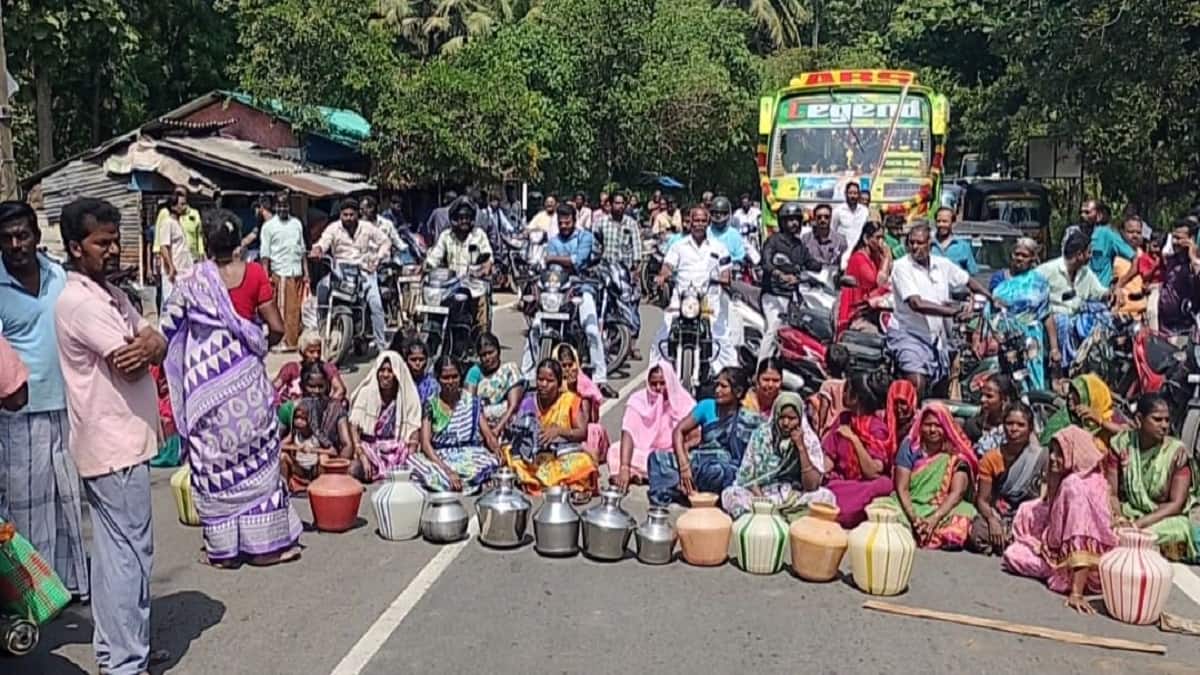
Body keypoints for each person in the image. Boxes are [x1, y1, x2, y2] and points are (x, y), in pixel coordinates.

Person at [55, 197, 170, 673]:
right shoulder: (81, 303)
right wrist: (148, 346)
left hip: (118, 445)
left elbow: (154, 343)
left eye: (114, 239)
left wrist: (151, 343)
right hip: (112, 447)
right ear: (75, 248)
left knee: (114, 555)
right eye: (101, 242)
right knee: (127, 557)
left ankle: (119, 649)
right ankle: (125, 661)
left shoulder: (114, 295)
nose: (113, 249)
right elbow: (132, 363)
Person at [161, 207, 303, 569]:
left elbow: (167, 330)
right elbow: (275, 327)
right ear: (238, 240)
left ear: (206, 244)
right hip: (248, 390)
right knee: (258, 459)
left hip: (205, 390)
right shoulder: (255, 274)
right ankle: (267, 546)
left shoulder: (191, 281)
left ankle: (223, 551)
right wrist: (252, 347)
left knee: (213, 464)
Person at [0, 200, 88, 600]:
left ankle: (72, 584)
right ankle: (35, 592)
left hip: (67, 403)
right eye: (6, 239)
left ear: (36, 236)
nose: (16, 245)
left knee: (70, 500)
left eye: (22, 235)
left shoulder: (59, 275)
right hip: (19, 413)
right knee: (28, 507)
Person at [1003, 426, 1117, 613]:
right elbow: (1050, 503)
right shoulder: (1089, 476)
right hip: (1092, 557)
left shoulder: (1074, 486)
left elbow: (1080, 536)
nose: (1054, 458)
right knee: (1026, 510)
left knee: (1014, 555)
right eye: (1053, 452)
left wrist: (1076, 594)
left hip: (1083, 568)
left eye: (1060, 453)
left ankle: (1064, 576)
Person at [888, 222, 998, 396]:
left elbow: (968, 280)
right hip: (909, 335)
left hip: (938, 338)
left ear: (929, 244)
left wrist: (992, 299)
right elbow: (916, 304)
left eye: (919, 243)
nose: (914, 247)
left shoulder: (942, 265)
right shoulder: (902, 267)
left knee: (942, 387)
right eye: (911, 243)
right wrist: (954, 312)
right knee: (917, 382)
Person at [532, 203, 616, 398]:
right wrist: (558, 260)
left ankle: (600, 378)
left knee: (591, 328)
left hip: (581, 287)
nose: (564, 226)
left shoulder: (585, 237)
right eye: (561, 223)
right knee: (536, 327)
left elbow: (578, 261)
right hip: (557, 290)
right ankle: (529, 376)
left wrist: (555, 259)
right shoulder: (553, 241)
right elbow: (549, 264)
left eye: (567, 222)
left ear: (574, 220)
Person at [648, 367, 762, 506]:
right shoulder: (707, 406)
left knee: (716, 472)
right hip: (698, 462)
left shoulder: (747, 419)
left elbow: (750, 455)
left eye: (723, 386)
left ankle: (689, 492)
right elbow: (679, 430)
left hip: (722, 468)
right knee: (657, 458)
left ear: (737, 392)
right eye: (717, 385)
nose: (717, 390)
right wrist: (684, 466)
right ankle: (686, 491)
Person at [873, 402, 979, 550]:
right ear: (920, 426)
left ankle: (924, 533)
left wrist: (934, 518)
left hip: (941, 507)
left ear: (946, 427)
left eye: (938, 425)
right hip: (911, 503)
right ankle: (916, 530)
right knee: (880, 507)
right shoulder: (910, 447)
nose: (932, 430)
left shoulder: (956, 454)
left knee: (965, 514)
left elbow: (957, 493)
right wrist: (914, 519)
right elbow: (901, 488)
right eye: (928, 425)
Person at [1108, 393, 1199, 562]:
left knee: (1179, 529)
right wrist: (1119, 519)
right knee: (1103, 522)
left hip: (1161, 519)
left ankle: (1133, 541)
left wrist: (1138, 525)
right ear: (1139, 419)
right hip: (1129, 512)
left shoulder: (1176, 452)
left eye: (1167, 420)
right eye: (1157, 420)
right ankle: (1134, 541)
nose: (1164, 425)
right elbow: (1111, 492)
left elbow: (1176, 504)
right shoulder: (1121, 445)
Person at [721, 392, 837, 520]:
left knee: (826, 497)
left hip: (794, 496)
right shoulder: (762, 436)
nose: (786, 423)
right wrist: (762, 501)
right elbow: (748, 477)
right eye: (782, 417)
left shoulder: (809, 439)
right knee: (731, 494)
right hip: (762, 494)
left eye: (791, 418)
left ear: (800, 418)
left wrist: (801, 447)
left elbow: (812, 486)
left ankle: (783, 518)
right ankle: (772, 518)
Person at [653, 206, 737, 373]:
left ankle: (727, 377)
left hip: (709, 300)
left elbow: (726, 271)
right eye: (696, 221)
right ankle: (659, 374)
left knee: (721, 337)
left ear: (708, 223)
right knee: (664, 333)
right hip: (683, 298)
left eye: (703, 221)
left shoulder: (718, 247)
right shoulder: (679, 246)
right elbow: (668, 266)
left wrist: (724, 278)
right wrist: (662, 277)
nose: (699, 224)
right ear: (689, 223)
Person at [504, 359, 598, 502]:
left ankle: (545, 483)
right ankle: (557, 484)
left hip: (560, 456)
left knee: (583, 462)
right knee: (509, 454)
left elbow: (582, 432)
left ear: (559, 384)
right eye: (540, 380)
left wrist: (559, 431)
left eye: (550, 380)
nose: (544, 385)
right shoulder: (529, 401)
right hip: (535, 458)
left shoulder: (570, 400)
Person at [407, 356, 501, 493]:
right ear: (438, 379)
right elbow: (426, 444)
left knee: (491, 462)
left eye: (454, 377)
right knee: (415, 463)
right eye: (445, 377)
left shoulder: (471, 402)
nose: (450, 382)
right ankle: (464, 482)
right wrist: (447, 470)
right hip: (440, 456)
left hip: (469, 454)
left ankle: (459, 482)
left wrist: (496, 449)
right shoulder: (431, 404)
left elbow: (487, 433)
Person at [310, 198, 391, 353]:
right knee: (322, 288)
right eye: (345, 214)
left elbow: (385, 241)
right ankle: (321, 328)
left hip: (364, 270)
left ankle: (382, 347)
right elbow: (323, 241)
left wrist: (378, 258)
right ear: (340, 214)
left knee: (376, 304)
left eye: (351, 214)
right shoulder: (333, 228)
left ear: (357, 214)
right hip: (339, 271)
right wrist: (318, 250)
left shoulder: (367, 228)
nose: (348, 218)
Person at [969, 403, 1047, 555]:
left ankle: (1014, 542)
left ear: (1030, 429)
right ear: (1003, 426)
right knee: (978, 533)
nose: (1014, 429)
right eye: (1009, 424)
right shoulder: (991, 459)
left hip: (1028, 515)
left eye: (1020, 425)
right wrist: (992, 520)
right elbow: (983, 500)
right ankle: (1015, 544)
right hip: (1000, 513)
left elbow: (1044, 498)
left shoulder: (1041, 457)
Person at [820, 373, 893, 528]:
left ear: (856, 398)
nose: (843, 394)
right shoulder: (843, 419)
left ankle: (842, 511)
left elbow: (873, 472)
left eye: (847, 390)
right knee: (827, 486)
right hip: (842, 483)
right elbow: (828, 461)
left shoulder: (877, 428)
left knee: (883, 484)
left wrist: (853, 439)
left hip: (863, 485)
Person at [610, 362, 695, 490]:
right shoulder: (638, 400)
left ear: (670, 381)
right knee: (615, 450)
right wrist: (624, 466)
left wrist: (682, 450)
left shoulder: (684, 402)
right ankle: (637, 473)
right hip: (643, 453)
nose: (658, 388)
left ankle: (646, 474)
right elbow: (628, 432)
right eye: (653, 384)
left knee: (681, 462)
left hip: (670, 455)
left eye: (662, 383)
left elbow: (696, 436)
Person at [1037, 231, 1109, 373]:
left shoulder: (1086, 273)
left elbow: (1099, 291)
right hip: (1053, 319)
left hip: (1077, 317)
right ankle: (1063, 367)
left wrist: (1112, 293)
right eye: (1089, 252)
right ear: (1079, 254)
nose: (1090, 256)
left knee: (1104, 316)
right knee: (1063, 321)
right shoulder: (1047, 270)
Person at [758, 201, 822, 361]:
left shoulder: (799, 245)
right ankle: (761, 368)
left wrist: (832, 268)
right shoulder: (773, 241)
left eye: (797, 220)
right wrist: (780, 275)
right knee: (774, 329)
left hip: (793, 296)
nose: (794, 223)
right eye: (790, 219)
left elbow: (812, 263)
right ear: (782, 221)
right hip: (773, 294)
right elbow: (766, 263)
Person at [347, 350, 422, 483]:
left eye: (390, 371)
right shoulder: (366, 392)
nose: (385, 375)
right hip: (370, 448)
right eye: (382, 370)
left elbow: (414, 427)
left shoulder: (407, 395)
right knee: (354, 469)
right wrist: (361, 454)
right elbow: (354, 425)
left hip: (397, 449)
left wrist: (411, 455)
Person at [987, 238, 1050, 389]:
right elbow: (991, 310)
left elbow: (1046, 314)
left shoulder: (1039, 282)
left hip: (1032, 340)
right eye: (1017, 254)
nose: (1019, 258)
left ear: (1033, 258)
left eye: (1025, 255)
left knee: (1032, 379)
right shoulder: (999, 278)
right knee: (1008, 381)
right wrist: (994, 337)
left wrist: (1054, 348)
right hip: (1006, 337)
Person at [426, 196, 494, 335]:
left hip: (474, 285)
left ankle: (481, 337)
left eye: (468, 217)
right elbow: (434, 258)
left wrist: (481, 271)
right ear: (454, 219)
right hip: (449, 286)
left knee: (482, 303)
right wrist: (425, 268)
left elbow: (488, 260)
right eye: (461, 217)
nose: (464, 221)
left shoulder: (478, 235)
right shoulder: (446, 236)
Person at [281, 364, 353, 493]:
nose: (316, 391)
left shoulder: (336, 409)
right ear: (303, 387)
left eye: (321, 386)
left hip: (324, 466)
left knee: (342, 465)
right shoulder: (294, 409)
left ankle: (325, 486)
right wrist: (298, 448)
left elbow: (347, 444)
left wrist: (338, 471)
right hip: (298, 466)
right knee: (281, 457)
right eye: (311, 386)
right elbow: (277, 442)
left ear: (328, 386)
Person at [593, 192, 644, 359]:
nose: (619, 206)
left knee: (629, 306)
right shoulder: (601, 223)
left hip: (624, 272)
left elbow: (637, 248)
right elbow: (595, 245)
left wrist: (635, 271)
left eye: (622, 203)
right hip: (604, 270)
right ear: (610, 205)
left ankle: (632, 343)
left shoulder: (631, 224)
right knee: (601, 302)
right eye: (616, 203)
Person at [259, 193, 308, 351]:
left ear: (289, 206)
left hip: (296, 272)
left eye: (285, 205)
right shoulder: (269, 227)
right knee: (282, 310)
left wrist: (306, 273)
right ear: (274, 207)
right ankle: (283, 341)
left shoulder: (296, 223)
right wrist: (265, 277)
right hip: (281, 273)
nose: (282, 209)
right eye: (279, 206)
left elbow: (302, 250)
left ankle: (292, 341)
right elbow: (265, 254)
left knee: (295, 310)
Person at [273, 329, 348, 428]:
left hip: (319, 409)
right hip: (295, 411)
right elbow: (273, 388)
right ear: (302, 352)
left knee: (343, 403)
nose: (316, 356)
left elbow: (340, 389)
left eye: (318, 351)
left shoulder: (327, 368)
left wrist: (327, 406)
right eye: (311, 352)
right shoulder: (291, 368)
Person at [555, 343, 610, 462]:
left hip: (581, 433)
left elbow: (588, 421)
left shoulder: (584, 385)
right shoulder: (554, 385)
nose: (568, 369)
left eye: (571, 364)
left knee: (594, 431)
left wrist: (573, 391)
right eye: (564, 366)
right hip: (559, 431)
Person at [836, 221, 892, 336]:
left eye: (883, 238)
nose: (881, 242)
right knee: (874, 335)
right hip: (858, 312)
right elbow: (880, 282)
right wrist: (886, 258)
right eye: (877, 238)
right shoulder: (859, 259)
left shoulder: (876, 256)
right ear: (866, 239)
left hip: (875, 308)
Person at [1041, 373, 1123, 450]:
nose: (1070, 396)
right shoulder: (1063, 420)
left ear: (1091, 399)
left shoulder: (1110, 420)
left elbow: (1127, 434)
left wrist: (1099, 420)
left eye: (1076, 394)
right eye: (1070, 390)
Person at [465, 332, 524, 435]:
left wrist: (497, 429)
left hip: (506, 422)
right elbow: (470, 405)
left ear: (498, 351)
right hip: (480, 424)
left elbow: (513, 405)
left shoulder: (509, 370)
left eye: (491, 352)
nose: (488, 358)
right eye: (483, 355)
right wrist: (487, 432)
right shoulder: (474, 372)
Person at [1158, 218, 1200, 336]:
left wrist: (1193, 257)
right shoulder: (1172, 260)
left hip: (1187, 329)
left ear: (1191, 239)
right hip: (1166, 327)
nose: (1175, 242)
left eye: (1179, 238)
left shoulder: (1195, 262)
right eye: (1174, 237)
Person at [964, 373, 1019, 456]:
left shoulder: (1015, 428)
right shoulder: (973, 426)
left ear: (1004, 399)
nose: (982, 399)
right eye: (982, 394)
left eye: (989, 396)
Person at [154, 195, 194, 309]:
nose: (184, 207)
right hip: (172, 272)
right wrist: (171, 266)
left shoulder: (179, 223)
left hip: (182, 270)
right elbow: (164, 246)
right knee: (171, 303)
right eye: (181, 204)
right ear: (173, 206)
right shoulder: (168, 223)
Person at [811, 344, 850, 436]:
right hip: (844, 425)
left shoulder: (827, 385)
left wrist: (820, 428)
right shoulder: (847, 384)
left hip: (830, 426)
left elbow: (824, 406)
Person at [831, 185, 869, 268]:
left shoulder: (865, 211)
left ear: (859, 195)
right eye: (850, 193)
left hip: (859, 252)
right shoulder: (838, 211)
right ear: (845, 194)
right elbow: (832, 231)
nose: (852, 196)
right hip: (842, 253)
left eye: (855, 193)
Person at [931, 207, 978, 274]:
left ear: (953, 224)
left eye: (945, 221)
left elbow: (973, 273)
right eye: (938, 221)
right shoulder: (927, 245)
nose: (941, 224)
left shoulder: (963, 247)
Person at [802, 203, 848, 268]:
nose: (823, 220)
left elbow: (844, 263)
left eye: (826, 217)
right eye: (819, 217)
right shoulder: (806, 239)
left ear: (831, 218)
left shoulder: (841, 240)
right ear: (814, 218)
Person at [706, 196, 747, 265]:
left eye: (722, 213)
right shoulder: (706, 232)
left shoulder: (734, 234)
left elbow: (741, 255)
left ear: (727, 214)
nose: (718, 216)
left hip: (730, 270)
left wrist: (730, 259)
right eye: (715, 212)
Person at [884, 378, 918, 454]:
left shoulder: (919, 423)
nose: (899, 409)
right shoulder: (883, 419)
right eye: (895, 403)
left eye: (903, 403)